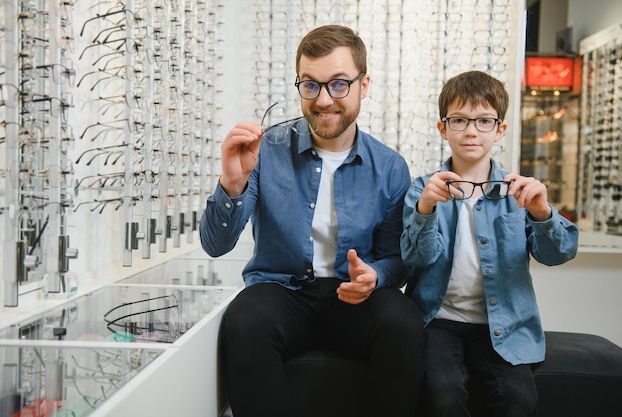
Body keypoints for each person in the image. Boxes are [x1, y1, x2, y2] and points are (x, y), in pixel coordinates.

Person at [200, 25, 424, 417]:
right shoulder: (264, 152)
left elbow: (398, 260)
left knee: (403, 320)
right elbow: (215, 245)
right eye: (310, 85)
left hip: (354, 299)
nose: (323, 100)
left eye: (338, 84)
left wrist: (376, 276)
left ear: (363, 85)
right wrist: (232, 183)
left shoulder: (389, 167)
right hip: (282, 292)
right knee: (245, 319)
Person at [401, 70, 579, 417]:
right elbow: (415, 258)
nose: (471, 130)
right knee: (442, 395)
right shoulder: (423, 188)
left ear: (501, 130)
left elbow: (558, 253)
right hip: (438, 320)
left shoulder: (519, 191)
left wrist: (542, 212)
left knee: (518, 399)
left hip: (503, 324)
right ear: (443, 128)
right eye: (459, 120)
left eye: (484, 121)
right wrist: (426, 208)